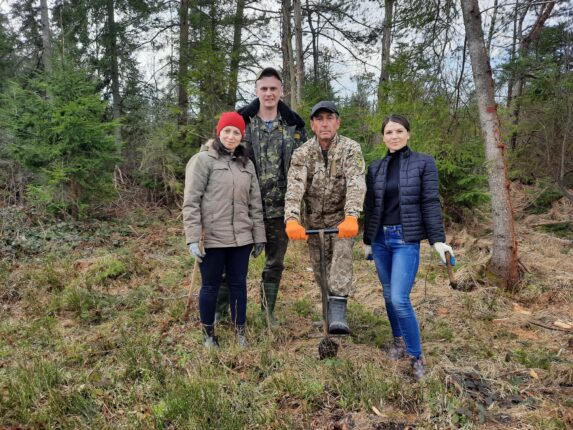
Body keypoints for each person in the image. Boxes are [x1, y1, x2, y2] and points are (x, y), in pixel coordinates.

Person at [363, 114, 455, 380]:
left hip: (405, 240)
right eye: (389, 132)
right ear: (383, 137)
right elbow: (371, 207)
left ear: (408, 134)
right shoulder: (376, 167)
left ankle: (416, 356)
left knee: (400, 298)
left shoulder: (423, 163)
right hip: (381, 240)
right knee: (388, 294)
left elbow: (429, 201)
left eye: (399, 131)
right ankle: (398, 342)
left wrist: (437, 239)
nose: (394, 136)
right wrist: (368, 240)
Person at [216, 67, 307, 326]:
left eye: (273, 89)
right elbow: (218, 155)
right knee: (231, 263)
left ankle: (268, 312)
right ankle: (220, 313)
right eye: (264, 89)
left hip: (281, 209)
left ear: (281, 91)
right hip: (243, 208)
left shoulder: (294, 125)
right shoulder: (240, 122)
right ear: (256, 91)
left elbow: (304, 164)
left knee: (274, 264)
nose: (268, 93)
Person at [182, 112, 266, 348]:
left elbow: (255, 204)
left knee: (238, 285)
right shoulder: (203, 161)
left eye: (236, 132)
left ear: (242, 136)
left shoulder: (246, 164)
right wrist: (192, 238)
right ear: (218, 132)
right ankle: (208, 334)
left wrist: (259, 236)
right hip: (212, 238)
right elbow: (191, 201)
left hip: (241, 239)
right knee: (210, 286)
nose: (231, 136)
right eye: (227, 131)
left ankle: (240, 333)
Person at [284, 101, 366, 334]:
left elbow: (356, 183)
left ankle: (338, 313)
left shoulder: (351, 149)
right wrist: (291, 218)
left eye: (329, 118)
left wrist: (351, 216)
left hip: (341, 219)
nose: (325, 123)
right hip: (314, 221)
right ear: (312, 125)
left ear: (337, 122)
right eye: (319, 119)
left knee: (340, 259)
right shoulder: (302, 153)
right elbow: (295, 186)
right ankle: (328, 314)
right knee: (320, 270)